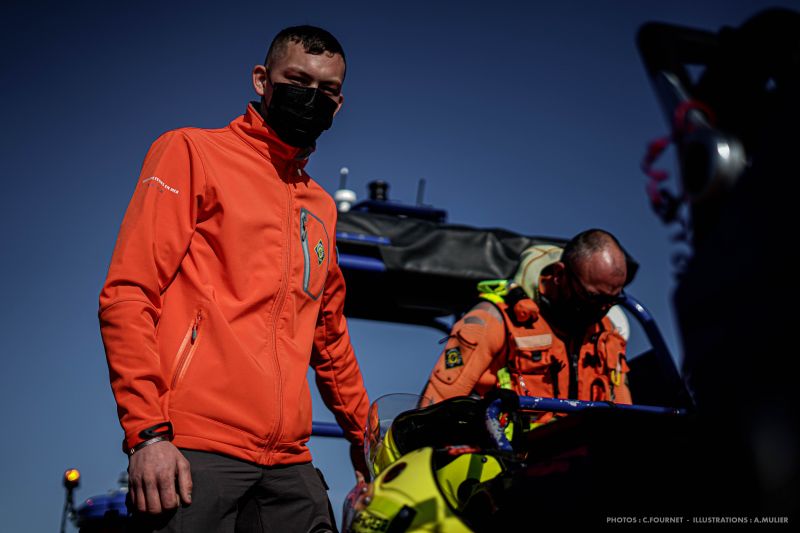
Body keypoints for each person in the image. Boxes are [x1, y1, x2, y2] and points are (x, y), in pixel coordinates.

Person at [98, 25, 369, 532]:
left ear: (339, 103)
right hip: (193, 452)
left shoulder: (321, 207)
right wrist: (148, 436)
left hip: (290, 464)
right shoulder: (191, 152)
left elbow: (329, 339)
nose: (312, 98)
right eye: (298, 80)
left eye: (327, 90)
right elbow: (129, 295)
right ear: (262, 79)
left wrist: (368, 440)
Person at [422, 229, 632, 413]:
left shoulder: (608, 334)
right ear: (559, 275)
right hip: (503, 454)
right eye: (593, 297)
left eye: (613, 300)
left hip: (580, 455)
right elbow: (435, 409)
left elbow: (625, 417)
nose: (603, 309)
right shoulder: (493, 320)